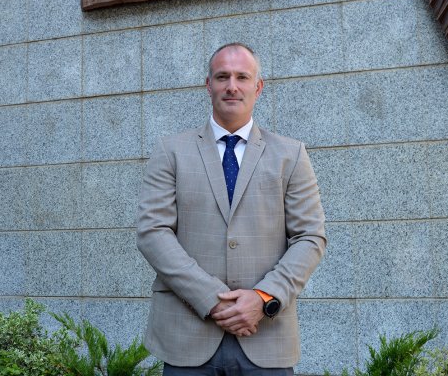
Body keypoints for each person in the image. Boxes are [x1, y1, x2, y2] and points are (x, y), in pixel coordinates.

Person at [137, 42, 326, 375]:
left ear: (258, 87)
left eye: (242, 77)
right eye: (222, 76)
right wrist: (210, 298)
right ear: (208, 85)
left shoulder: (291, 155)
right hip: (186, 335)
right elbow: (153, 233)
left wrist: (263, 297)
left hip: (266, 337)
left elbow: (310, 237)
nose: (232, 86)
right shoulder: (171, 151)